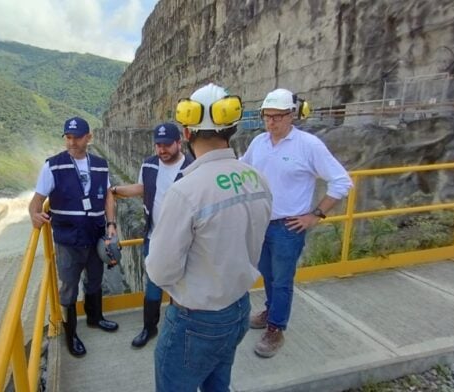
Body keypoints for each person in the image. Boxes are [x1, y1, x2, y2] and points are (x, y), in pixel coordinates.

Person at [145, 83, 273, 391]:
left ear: (186, 134)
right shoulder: (256, 179)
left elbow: (161, 270)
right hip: (239, 308)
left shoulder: (186, 190)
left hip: (196, 321)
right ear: (232, 129)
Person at [239, 88, 352, 358]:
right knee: (267, 273)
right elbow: (242, 169)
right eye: (267, 116)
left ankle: (276, 329)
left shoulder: (308, 145)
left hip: (288, 227)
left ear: (292, 115)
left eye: (278, 116)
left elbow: (342, 182)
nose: (271, 122)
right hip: (261, 223)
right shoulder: (259, 143)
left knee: (282, 281)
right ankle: (270, 310)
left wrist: (315, 214)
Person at [28, 116, 119, 358]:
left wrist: (111, 224)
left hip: (95, 235)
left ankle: (95, 318)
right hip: (68, 240)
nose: (71, 142)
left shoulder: (100, 164)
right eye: (68, 137)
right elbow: (36, 202)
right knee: (68, 286)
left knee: (95, 279)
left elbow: (108, 196)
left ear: (88, 137)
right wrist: (33, 215)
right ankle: (71, 335)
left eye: (77, 137)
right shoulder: (52, 166)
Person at [110, 122, 194, 348]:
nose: (161, 150)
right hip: (154, 238)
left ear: (180, 142)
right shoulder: (149, 165)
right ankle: (149, 328)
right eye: (158, 145)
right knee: (153, 285)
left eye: (167, 145)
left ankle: (180, 330)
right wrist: (115, 191)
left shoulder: (193, 167)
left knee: (183, 287)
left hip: (185, 241)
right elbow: (143, 188)